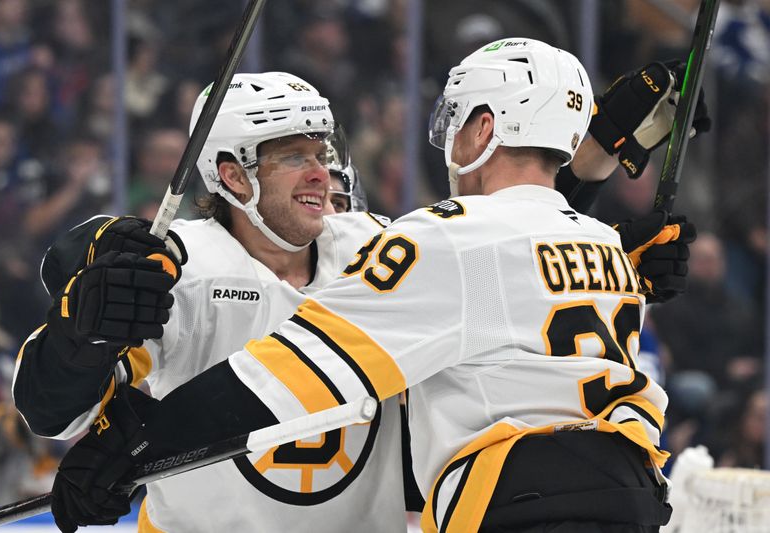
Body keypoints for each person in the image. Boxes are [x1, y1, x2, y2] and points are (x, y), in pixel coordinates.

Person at [45, 39, 696, 533]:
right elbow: (505, 266)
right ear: (233, 174)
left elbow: (280, 379)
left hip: (515, 497)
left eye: (319, 151)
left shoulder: (436, 238)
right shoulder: (599, 242)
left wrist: (129, 451)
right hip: (634, 488)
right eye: (294, 153)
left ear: (485, 128)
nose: (323, 174)